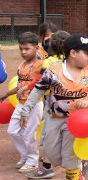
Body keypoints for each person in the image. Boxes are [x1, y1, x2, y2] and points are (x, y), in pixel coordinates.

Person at [20, 34, 88, 180]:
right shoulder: (54, 70)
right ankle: (79, 161)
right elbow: (39, 89)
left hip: (77, 122)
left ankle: (75, 173)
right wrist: (26, 109)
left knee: (70, 157)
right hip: (54, 119)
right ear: (73, 53)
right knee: (52, 155)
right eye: (87, 52)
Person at [24, 31, 70, 179]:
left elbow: (41, 85)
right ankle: (76, 164)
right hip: (70, 107)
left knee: (47, 136)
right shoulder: (71, 62)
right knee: (68, 137)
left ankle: (47, 166)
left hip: (52, 104)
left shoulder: (49, 62)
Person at [0, 32, 44, 173]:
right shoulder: (22, 65)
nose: (23, 52)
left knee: (29, 134)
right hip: (21, 104)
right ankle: (26, 155)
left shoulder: (40, 66)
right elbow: (20, 85)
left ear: (36, 48)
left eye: (27, 49)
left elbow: (40, 84)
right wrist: (7, 94)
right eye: (21, 49)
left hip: (34, 104)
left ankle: (32, 161)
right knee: (12, 131)